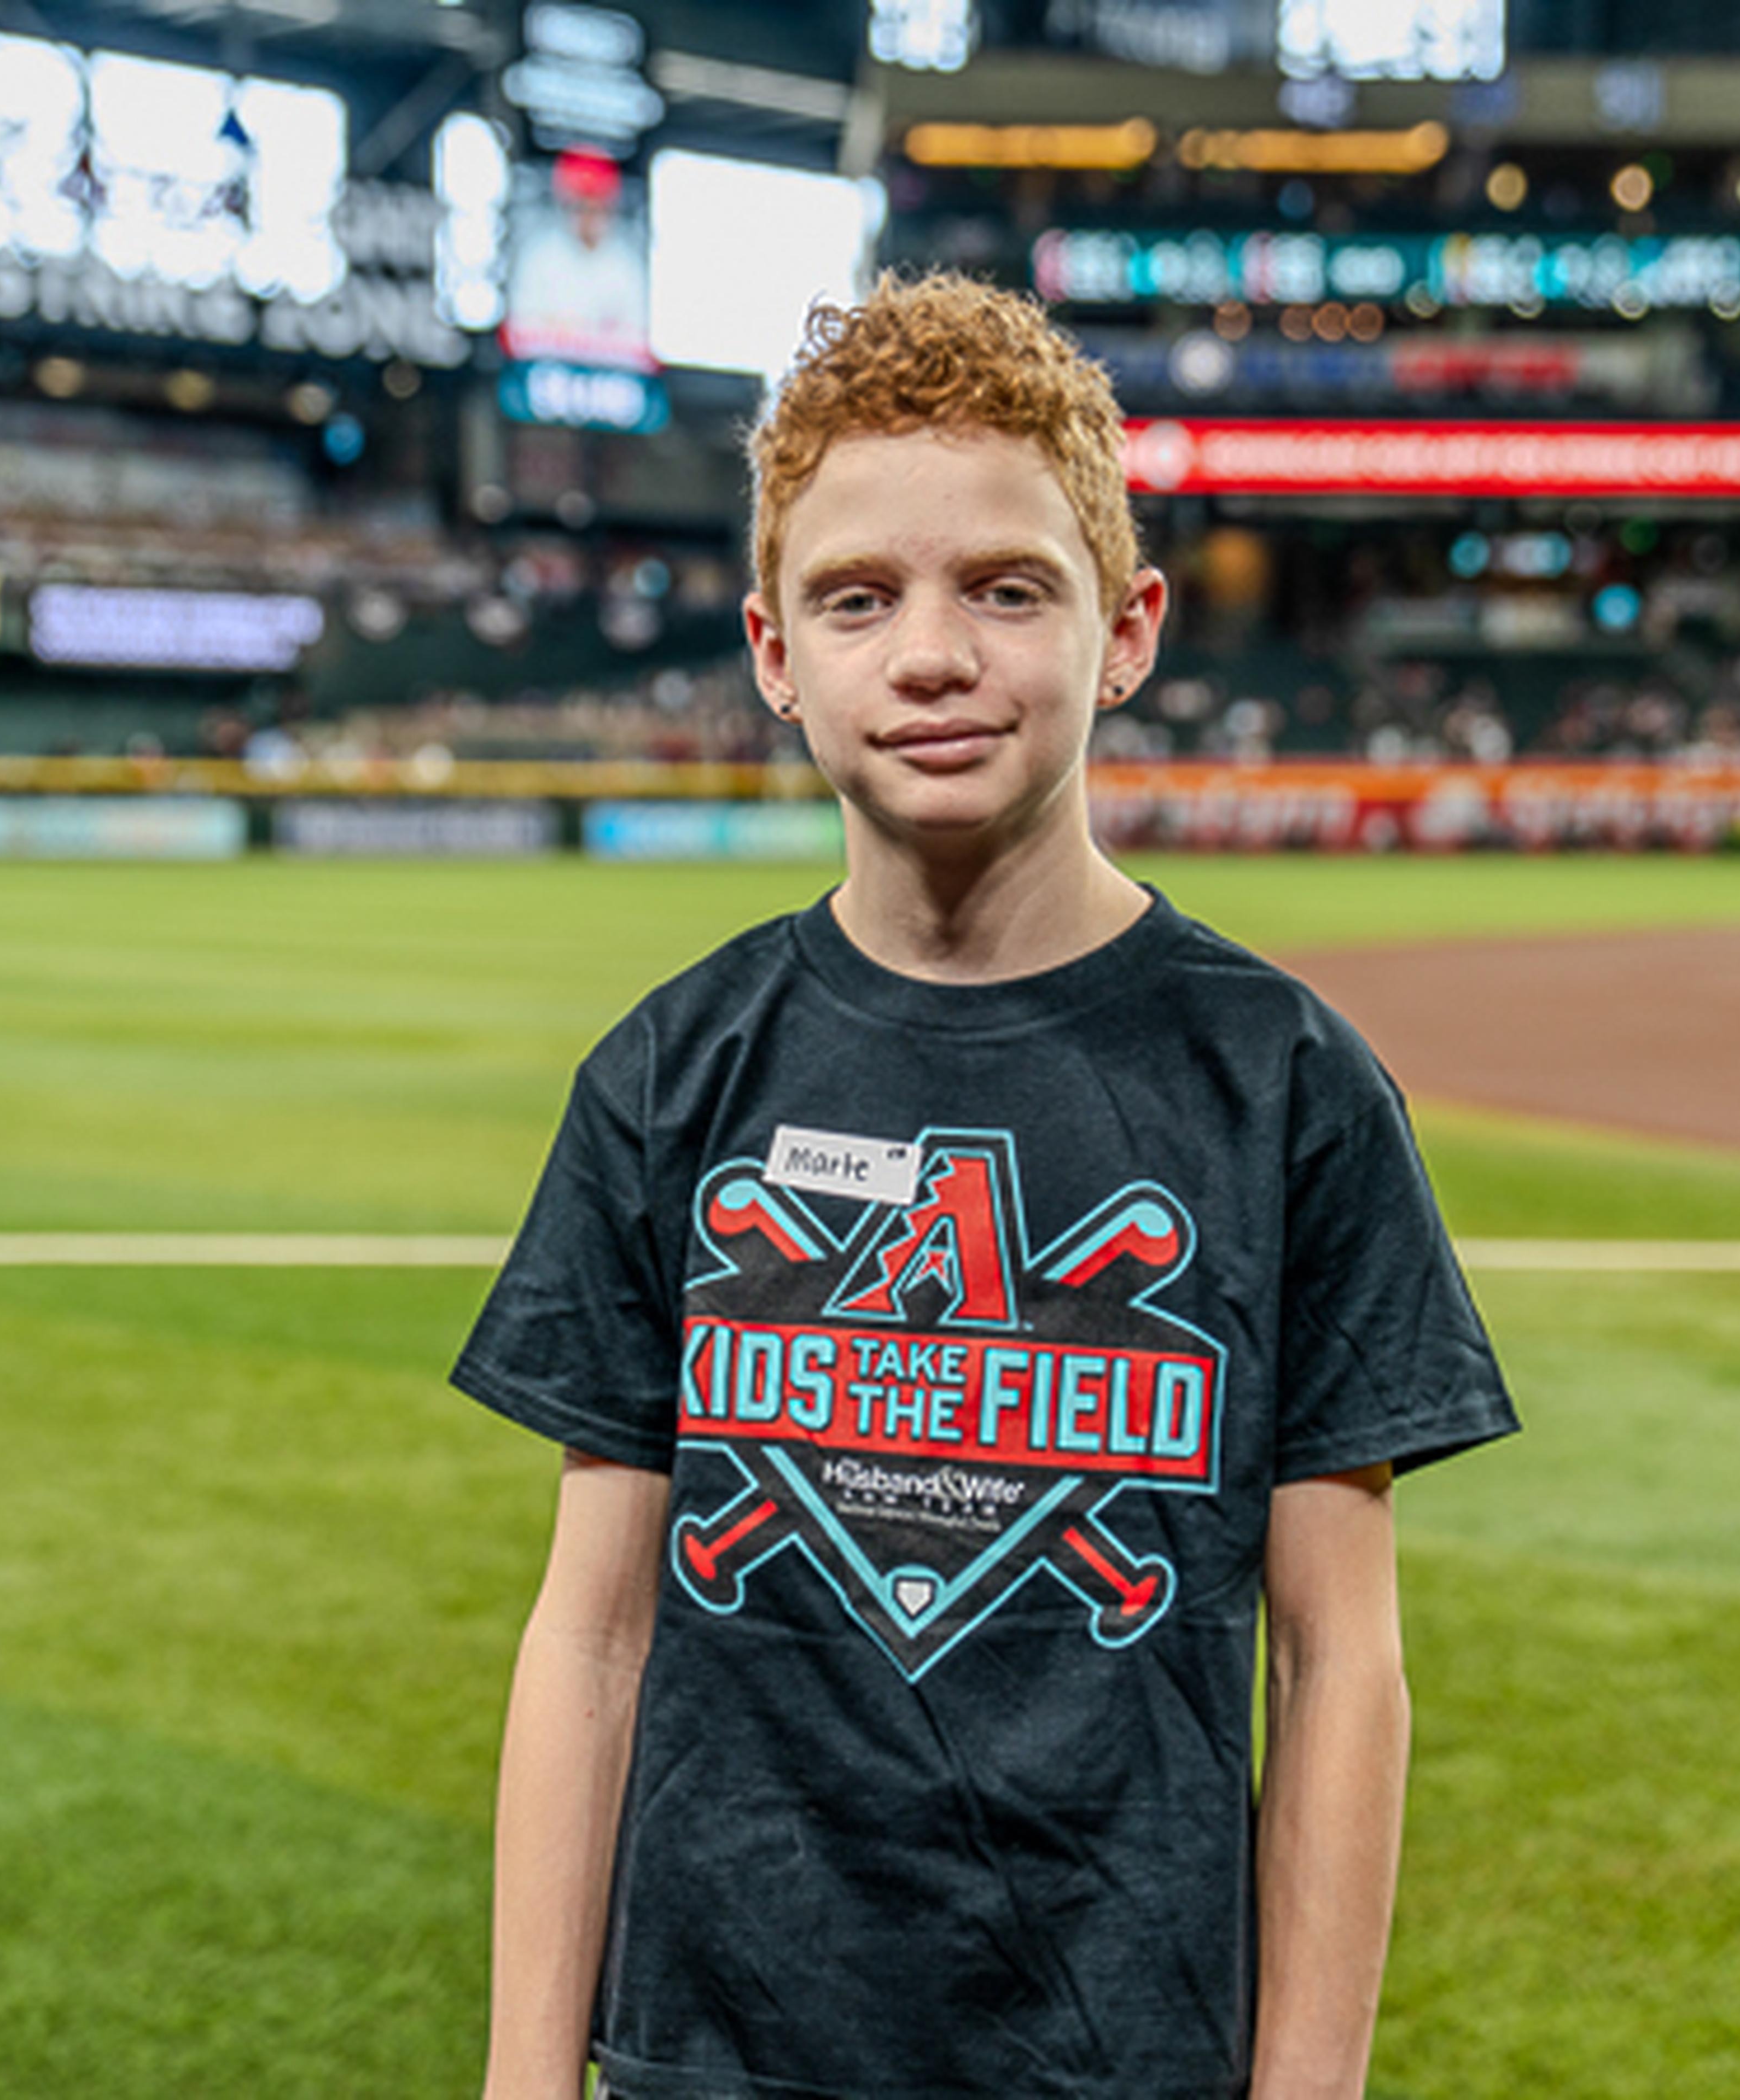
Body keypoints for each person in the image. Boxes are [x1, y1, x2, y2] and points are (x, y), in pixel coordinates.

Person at [452, 271, 1518, 2100]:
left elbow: (1343, 1665)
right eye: (857, 599)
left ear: (1128, 630)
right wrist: (524, 2082)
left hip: (1124, 2054)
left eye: (1007, 590)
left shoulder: (1286, 1092)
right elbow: (595, 1626)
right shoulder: (669, 1072)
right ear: (777, 653)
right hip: (713, 2051)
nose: (931, 655)